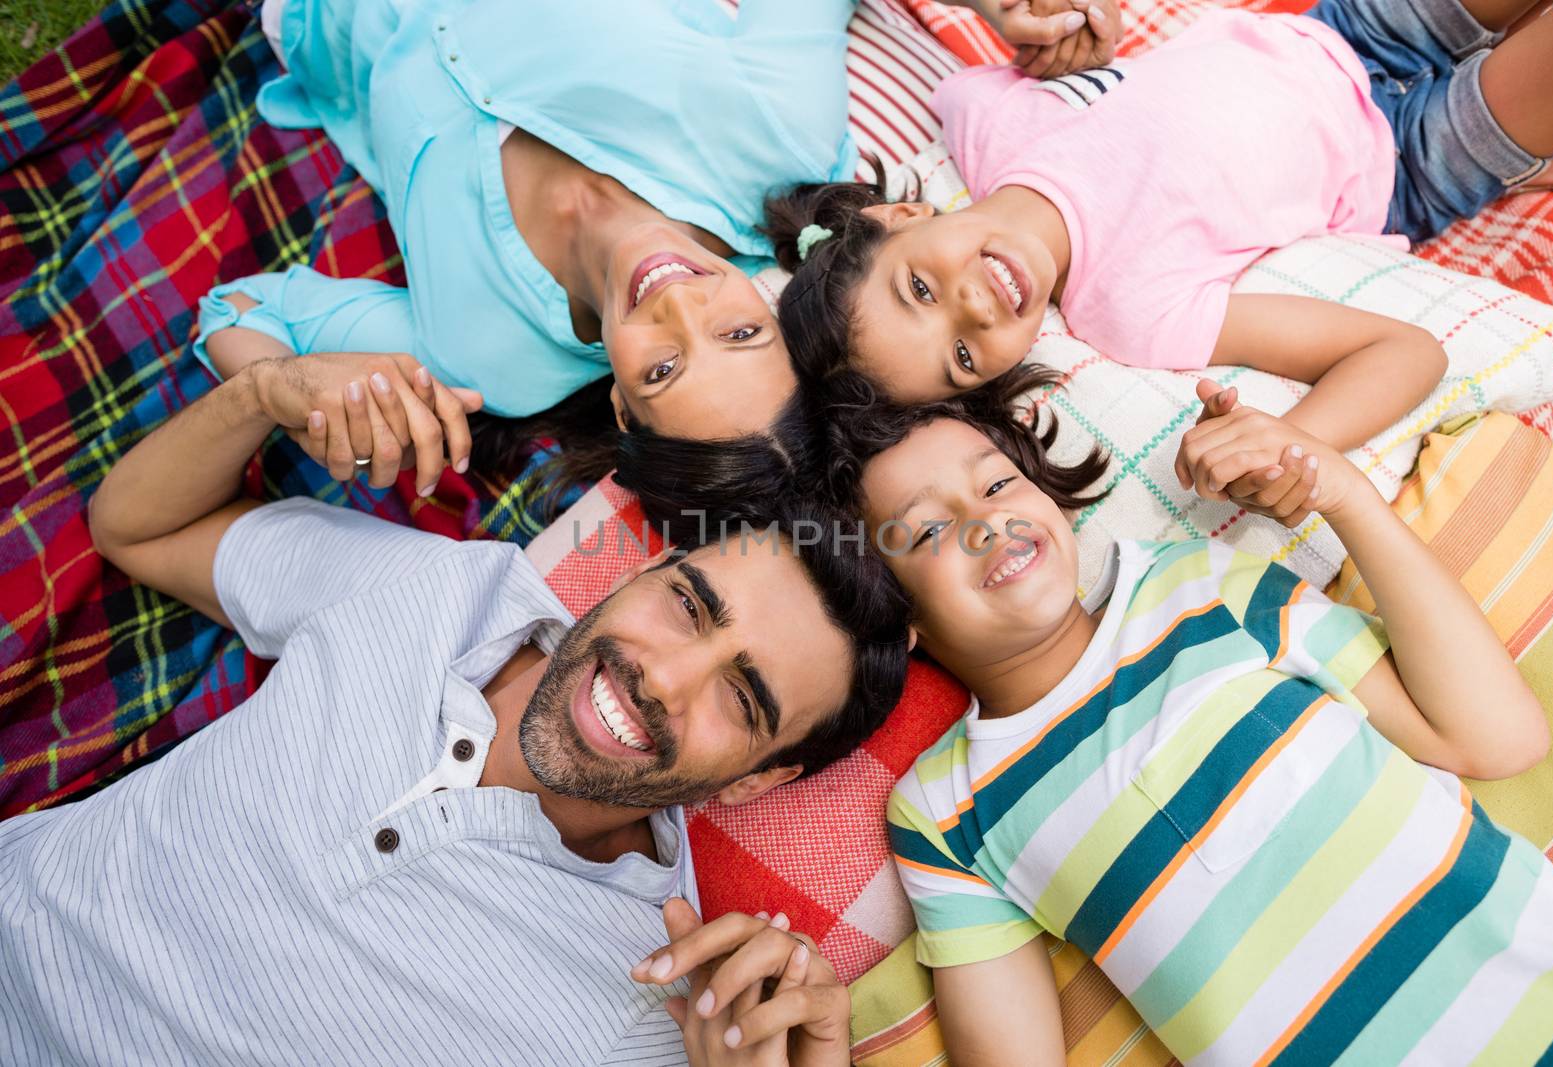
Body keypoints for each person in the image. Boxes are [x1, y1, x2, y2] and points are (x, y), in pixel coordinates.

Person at [0, 354, 913, 1066]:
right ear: (641, 572)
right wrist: (268, 392)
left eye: (741, 697)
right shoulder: (442, 588)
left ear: (760, 777)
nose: (662, 679)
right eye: (687, 606)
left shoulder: (648, 1008)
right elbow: (136, 525)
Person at [820, 383, 1553, 1064]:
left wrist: (1347, 495)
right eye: (925, 530)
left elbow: (1499, 738)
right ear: (894, 611)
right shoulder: (944, 811)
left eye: (997, 483)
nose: (985, 523)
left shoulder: (1202, 587)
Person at [197, 0, 1103, 512]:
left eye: (666, 367)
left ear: (626, 409)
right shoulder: (773, 140)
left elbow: (237, 311)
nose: (676, 307)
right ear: (769, 298)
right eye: (741, 331)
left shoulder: (488, 364)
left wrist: (288, 387)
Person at [764, 0, 1553, 459]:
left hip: (1336, 29)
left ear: (899, 215)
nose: (975, 312)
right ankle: (1550, 155)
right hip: (1407, 157)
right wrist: (1287, 444)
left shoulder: (980, 121)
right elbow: (1407, 353)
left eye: (919, 289)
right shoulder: (1135, 314)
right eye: (964, 357)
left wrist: (1082, 39)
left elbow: (1086, 69)